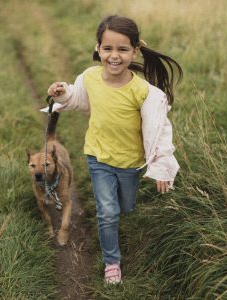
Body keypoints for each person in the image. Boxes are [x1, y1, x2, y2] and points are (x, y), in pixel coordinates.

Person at [47, 15, 183, 284]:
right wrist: (61, 92)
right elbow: (77, 98)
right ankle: (112, 262)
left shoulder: (144, 91)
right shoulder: (90, 77)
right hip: (98, 157)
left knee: (125, 207)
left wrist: (162, 165)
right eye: (108, 48)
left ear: (134, 51)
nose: (115, 56)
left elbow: (160, 131)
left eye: (122, 49)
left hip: (130, 163)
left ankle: (117, 216)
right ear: (98, 49)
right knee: (107, 212)